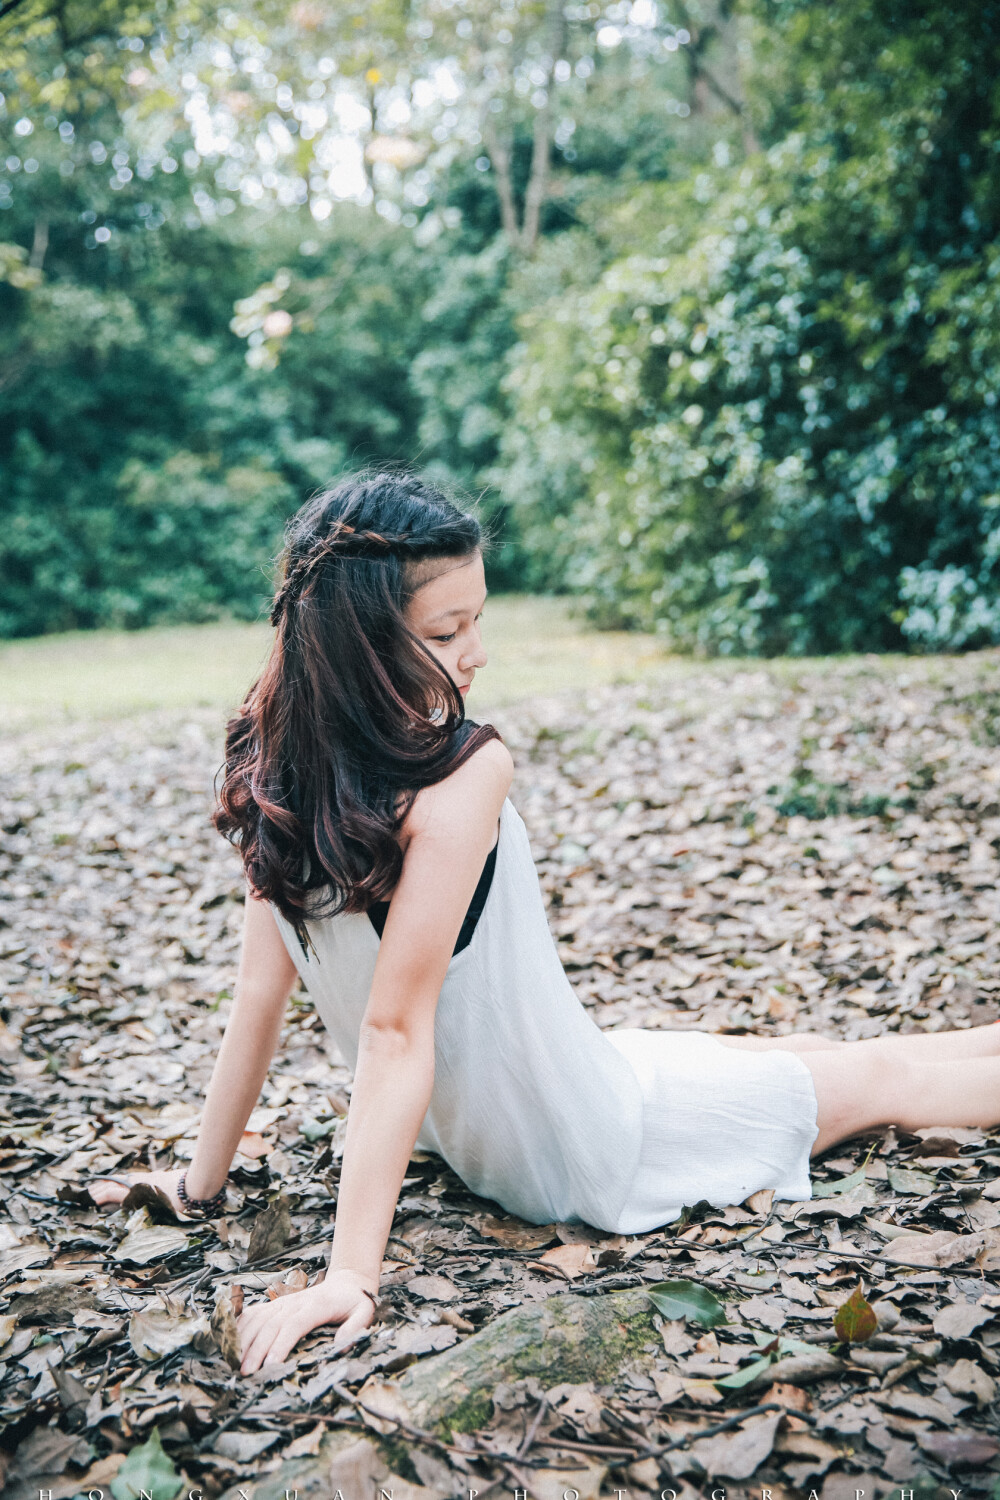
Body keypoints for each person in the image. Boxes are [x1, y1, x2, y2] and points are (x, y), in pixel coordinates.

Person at [90, 472, 1000, 1377]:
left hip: (504, 1117)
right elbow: (391, 1030)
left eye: (478, 619)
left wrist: (197, 1186)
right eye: (448, 632)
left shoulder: (273, 771)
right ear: (357, 644)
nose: (477, 652)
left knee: (805, 1049)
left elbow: (267, 992)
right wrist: (348, 1279)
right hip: (584, 1145)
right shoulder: (458, 778)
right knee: (881, 1079)